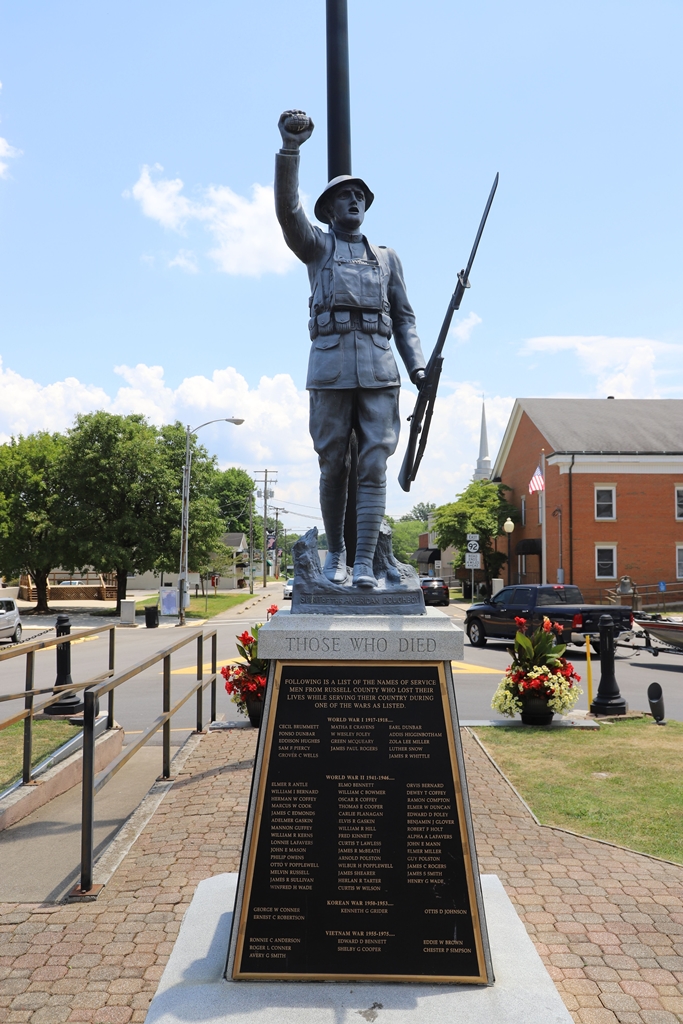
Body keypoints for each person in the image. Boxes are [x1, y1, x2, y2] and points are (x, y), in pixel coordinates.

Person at [275, 110, 426, 589]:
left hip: (381, 370)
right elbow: (286, 212)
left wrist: (418, 365)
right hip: (331, 368)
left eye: (360, 195)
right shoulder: (316, 248)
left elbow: (404, 317)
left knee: (374, 463)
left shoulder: (387, 258)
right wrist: (290, 151)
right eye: (346, 195)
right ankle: (335, 556)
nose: (355, 200)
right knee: (333, 460)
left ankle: (364, 562)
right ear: (330, 209)